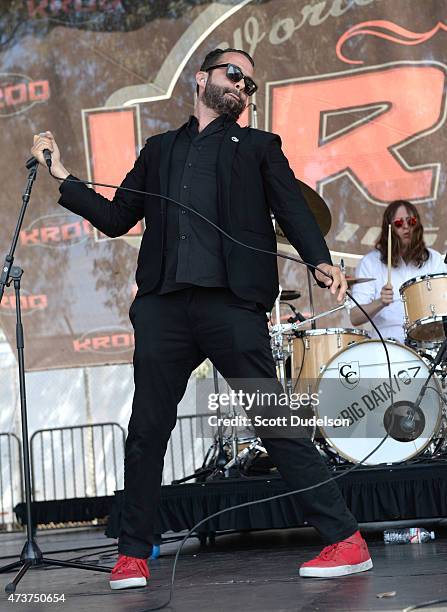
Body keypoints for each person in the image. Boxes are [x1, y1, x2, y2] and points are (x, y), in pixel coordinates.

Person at [31, 48, 372, 589]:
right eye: (234, 75)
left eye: (251, 84)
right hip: (165, 305)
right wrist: (64, 176)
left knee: (274, 419)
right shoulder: (160, 149)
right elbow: (119, 218)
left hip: (231, 304)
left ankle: (345, 541)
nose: (243, 86)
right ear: (202, 78)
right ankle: (133, 552)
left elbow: (292, 207)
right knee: (146, 429)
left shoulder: (259, 147)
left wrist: (320, 260)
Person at [350, 200, 447, 342]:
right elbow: (355, 317)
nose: (406, 227)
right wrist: (380, 302)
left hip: (428, 343)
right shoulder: (370, 263)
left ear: (418, 225)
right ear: (389, 228)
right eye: (399, 223)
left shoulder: (434, 259)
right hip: (386, 345)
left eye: (411, 221)